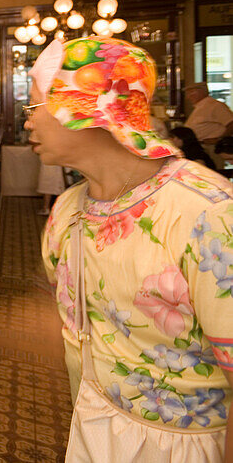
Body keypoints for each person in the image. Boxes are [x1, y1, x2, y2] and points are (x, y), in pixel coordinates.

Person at [27, 36, 232, 462]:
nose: (27, 123)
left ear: (81, 107)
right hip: (92, 422)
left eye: (35, 107)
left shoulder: (205, 213)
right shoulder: (67, 210)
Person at [185, 82, 233, 166]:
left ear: (202, 92)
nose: (188, 97)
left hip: (211, 148)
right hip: (199, 147)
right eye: (188, 93)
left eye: (192, 93)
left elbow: (231, 123)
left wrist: (219, 139)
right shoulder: (199, 107)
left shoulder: (215, 106)